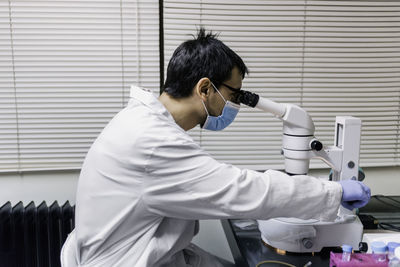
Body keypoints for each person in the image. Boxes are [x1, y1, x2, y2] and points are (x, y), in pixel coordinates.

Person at [61, 28, 371, 267]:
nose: (236, 105)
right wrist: (335, 193)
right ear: (205, 89)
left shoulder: (141, 122)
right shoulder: (152, 142)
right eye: (234, 96)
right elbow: (242, 190)